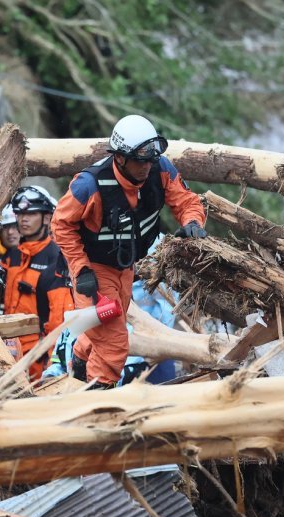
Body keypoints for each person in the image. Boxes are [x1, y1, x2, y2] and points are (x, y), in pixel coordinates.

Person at [51, 114, 206, 388]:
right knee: (114, 343)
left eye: (150, 159)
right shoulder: (89, 185)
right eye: (140, 160)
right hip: (95, 272)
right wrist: (80, 268)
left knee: (103, 325)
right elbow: (60, 224)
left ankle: (78, 361)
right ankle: (98, 403)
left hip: (127, 268)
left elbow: (187, 201)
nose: (146, 166)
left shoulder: (161, 169)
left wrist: (192, 223)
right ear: (120, 158)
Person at [2, 186, 74, 379]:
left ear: (46, 217)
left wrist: (52, 362)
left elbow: (58, 320)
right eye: (20, 213)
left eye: (31, 213)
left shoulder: (55, 258)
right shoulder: (12, 255)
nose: (23, 219)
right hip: (9, 350)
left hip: (39, 354)